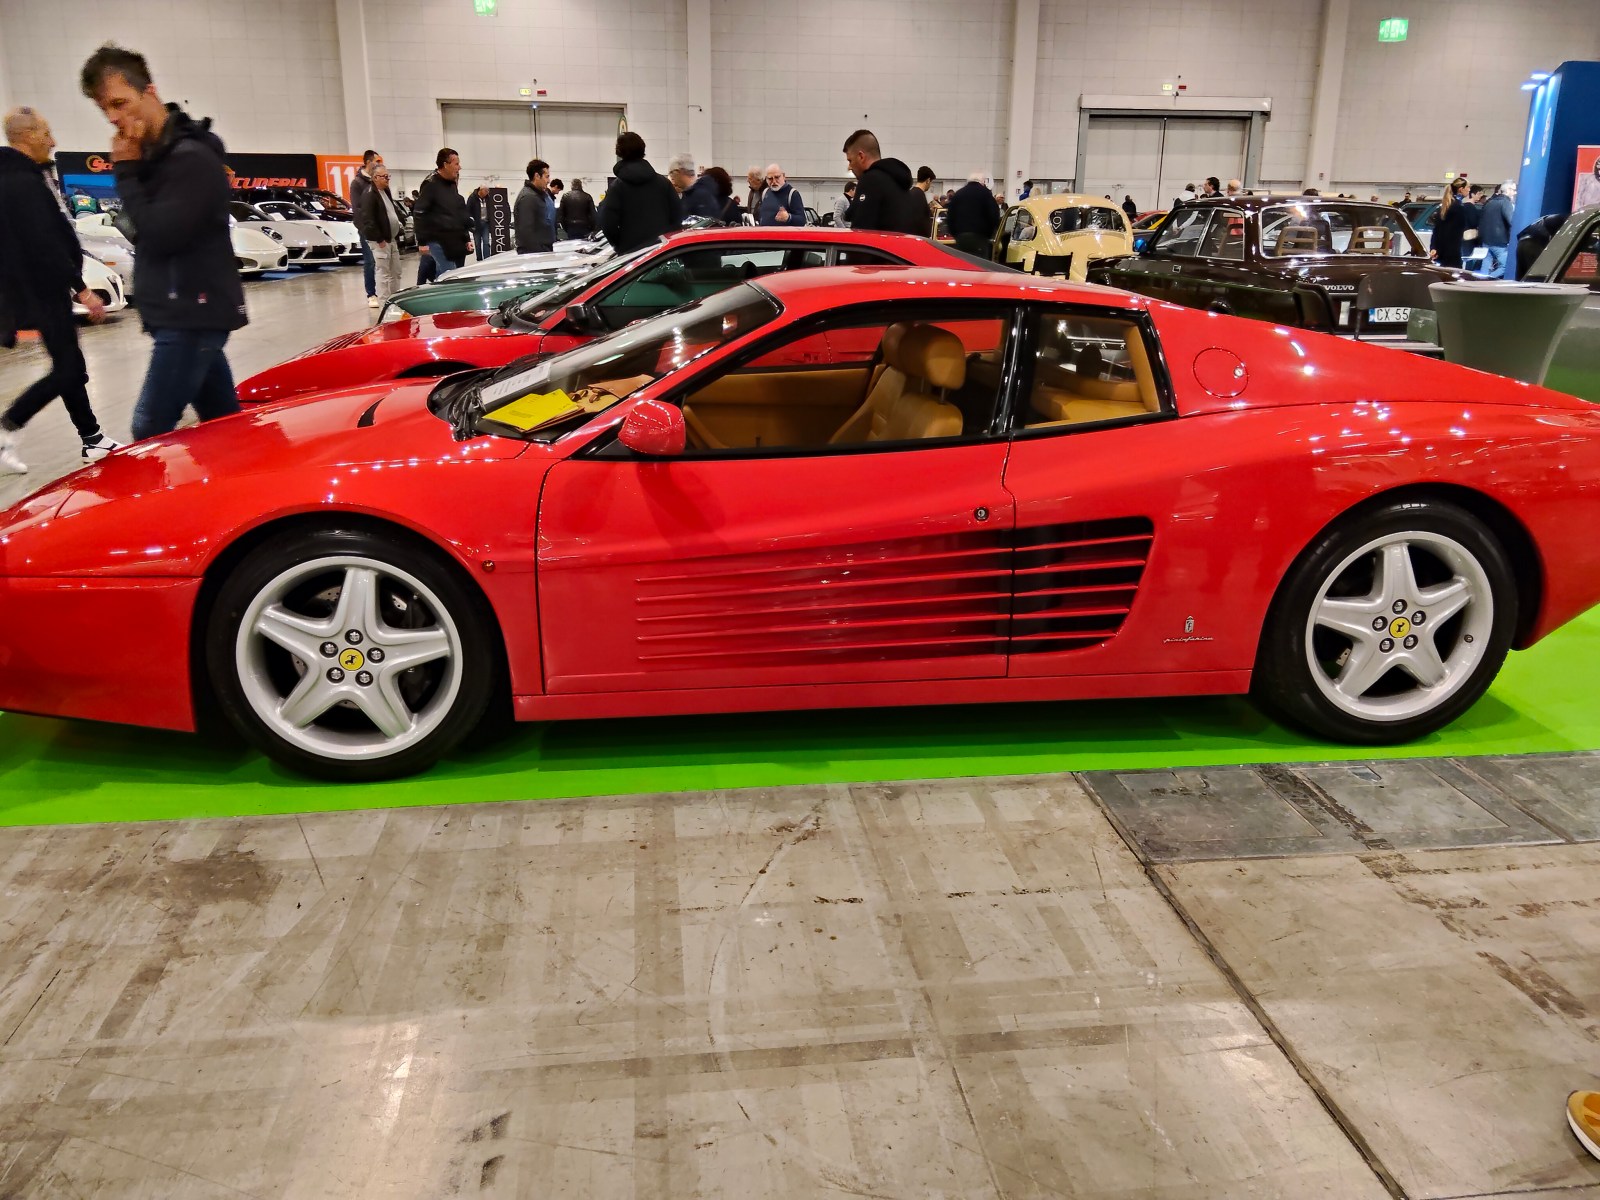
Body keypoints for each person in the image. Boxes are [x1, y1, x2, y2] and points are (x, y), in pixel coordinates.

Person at [80, 44, 246, 443]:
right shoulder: (158, 156)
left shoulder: (189, 157)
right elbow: (143, 229)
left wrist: (126, 170)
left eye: (120, 103)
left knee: (149, 430)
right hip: (184, 311)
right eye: (105, 109)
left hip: (191, 312)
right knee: (224, 423)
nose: (114, 118)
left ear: (149, 92)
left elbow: (158, 235)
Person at [0, 106, 119, 473]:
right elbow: (45, 243)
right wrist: (81, 289)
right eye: (45, 133)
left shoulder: (22, 176)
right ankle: (8, 425)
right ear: (27, 136)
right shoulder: (21, 183)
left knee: (69, 364)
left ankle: (92, 438)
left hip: (38, 287)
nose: (52, 141)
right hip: (42, 289)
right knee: (70, 369)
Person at [601, 131, 680, 253]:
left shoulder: (617, 187)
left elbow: (607, 223)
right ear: (643, 149)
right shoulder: (664, 183)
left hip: (631, 255)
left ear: (619, 152)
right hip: (661, 252)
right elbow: (678, 216)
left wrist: (620, 244)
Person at [842, 129, 923, 234]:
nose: (849, 167)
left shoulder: (870, 180)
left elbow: (861, 232)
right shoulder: (898, 181)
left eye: (850, 160)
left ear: (861, 156)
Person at [412, 147, 472, 284]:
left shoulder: (451, 184)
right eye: (456, 164)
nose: (459, 167)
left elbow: (457, 213)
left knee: (453, 274)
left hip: (454, 239)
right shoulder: (430, 184)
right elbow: (420, 213)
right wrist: (422, 242)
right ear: (445, 164)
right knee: (450, 276)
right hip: (438, 241)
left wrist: (466, 238)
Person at [357, 163, 406, 306]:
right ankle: (385, 303)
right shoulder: (369, 194)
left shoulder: (386, 191)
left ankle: (395, 301)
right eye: (384, 177)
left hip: (391, 238)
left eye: (388, 176)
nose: (387, 179)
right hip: (380, 241)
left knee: (396, 271)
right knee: (383, 273)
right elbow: (368, 220)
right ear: (375, 178)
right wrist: (379, 239)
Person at [945, 171, 1001, 258]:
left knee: (962, 263)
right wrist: (989, 235)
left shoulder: (958, 194)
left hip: (961, 238)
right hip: (980, 238)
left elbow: (950, 217)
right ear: (982, 182)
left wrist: (956, 235)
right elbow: (994, 216)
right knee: (979, 264)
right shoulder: (986, 194)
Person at [349, 149, 380, 304]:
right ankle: (371, 294)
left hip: (380, 229)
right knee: (370, 261)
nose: (378, 164)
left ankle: (384, 291)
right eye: (376, 161)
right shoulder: (357, 183)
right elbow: (358, 209)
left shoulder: (376, 180)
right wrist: (365, 229)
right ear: (368, 162)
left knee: (383, 261)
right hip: (367, 230)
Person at [514, 159, 556, 254]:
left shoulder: (538, 195)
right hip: (535, 253)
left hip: (542, 249)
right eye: (546, 177)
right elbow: (526, 232)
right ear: (537, 176)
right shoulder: (528, 198)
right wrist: (538, 254)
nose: (549, 181)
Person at [1431, 176, 1470, 269]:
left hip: (1441, 251)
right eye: (1468, 187)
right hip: (1453, 252)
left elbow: (1437, 230)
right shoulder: (1459, 207)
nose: (1469, 190)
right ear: (1461, 189)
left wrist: (1434, 247)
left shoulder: (1445, 206)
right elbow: (1457, 231)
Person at [1478, 182, 1515, 276]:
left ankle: (1481, 282)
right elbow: (1511, 221)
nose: (1515, 193)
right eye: (1514, 190)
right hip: (1499, 242)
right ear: (1508, 190)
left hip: (1485, 240)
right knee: (1505, 266)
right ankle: (1488, 280)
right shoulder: (1506, 203)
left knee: (1485, 267)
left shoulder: (1489, 202)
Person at [671, 155, 722, 220]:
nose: (672, 177)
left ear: (680, 172)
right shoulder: (688, 194)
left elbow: (705, 224)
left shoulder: (701, 196)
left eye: (672, 173)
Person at [467, 184, 491, 260]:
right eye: (486, 191)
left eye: (488, 191)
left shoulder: (488, 198)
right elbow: (468, 210)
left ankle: (487, 258)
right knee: (477, 243)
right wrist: (471, 221)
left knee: (486, 241)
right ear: (480, 190)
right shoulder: (472, 198)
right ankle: (479, 259)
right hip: (476, 224)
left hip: (486, 223)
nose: (487, 192)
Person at [911, 165, 937, 236]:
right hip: (919, 237)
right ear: (928, 180)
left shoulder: (913, 193)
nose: (930, 185)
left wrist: (930, 211)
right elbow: (920, 219)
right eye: (931, 182)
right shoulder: (919, 195)